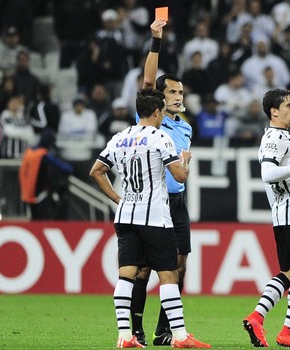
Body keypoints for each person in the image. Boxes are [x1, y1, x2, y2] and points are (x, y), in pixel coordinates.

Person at [89, 88, 209, 349]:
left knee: (126, 276)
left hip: (126, 215)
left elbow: (97, 171)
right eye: (163, 110)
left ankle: (124, 336)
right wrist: (185, 160)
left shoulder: (120, 137)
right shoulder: (160, 137)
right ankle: (179, 336)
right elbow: (179, 176)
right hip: (154, 216)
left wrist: (117, 199)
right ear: (157, 112)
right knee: (169, 276)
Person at [128, 19, 198, 347]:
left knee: (179, 266)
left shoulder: (184, 127)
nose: (178, 96)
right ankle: (136, 327)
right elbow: (146, 78)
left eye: (181, 93)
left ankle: (164, 329)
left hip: (177, 202)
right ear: (159, 95)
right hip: (152, 202)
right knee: (143, 270)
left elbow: (181, 166)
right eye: (172, 91)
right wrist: (156, 41)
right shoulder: (149, 117)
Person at [242, 88, 290, 348]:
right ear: (274, 111)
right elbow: (267, 173)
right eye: (289, 105)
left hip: (284, 215)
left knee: (289, 272)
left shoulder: (282, 135)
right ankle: (288, 331)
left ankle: (257, 316)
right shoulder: (275, 137)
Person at [19, 130, 73, 220]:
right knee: (41, 219)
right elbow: (66, 168)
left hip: (26, 193)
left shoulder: (28, 153)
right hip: (40, 195)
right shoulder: (43, 155)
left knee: (32, 219)